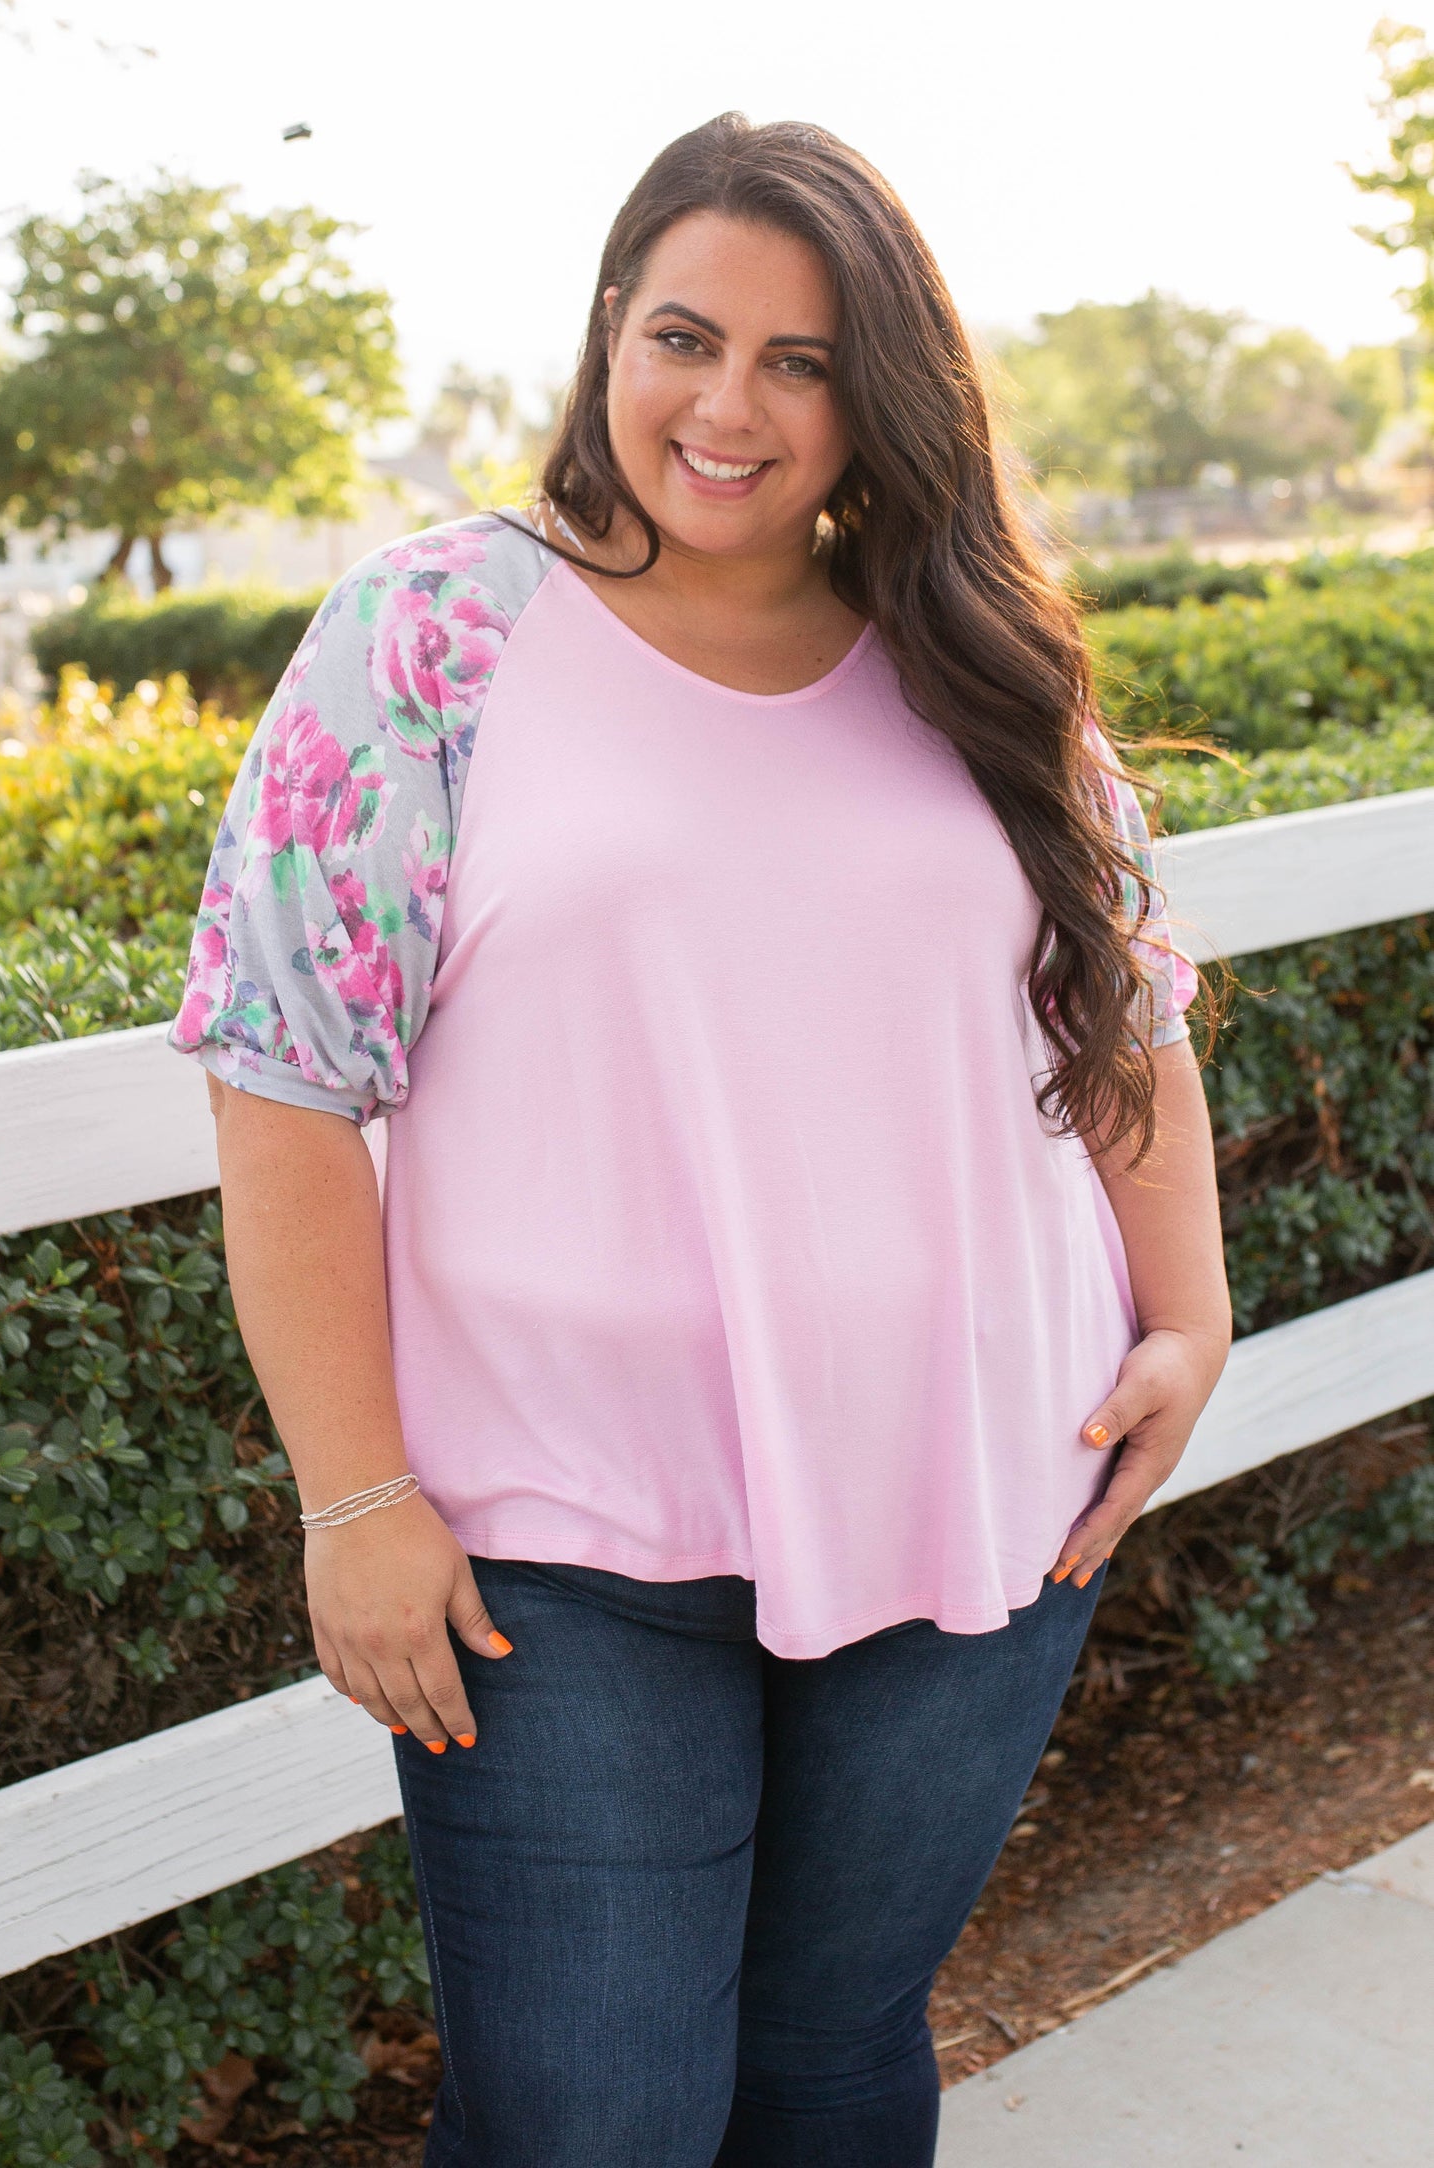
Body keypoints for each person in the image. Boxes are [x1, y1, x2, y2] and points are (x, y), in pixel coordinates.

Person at [170, 112, 1230, 2168]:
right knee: (593, 2121)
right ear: (604, 336)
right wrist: (352, 1495)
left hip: (980, 1499)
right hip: (558, 1549)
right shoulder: (436, 637)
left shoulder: (970, 655)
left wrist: (1187, 1318)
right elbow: (282, 1073)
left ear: (879, 396)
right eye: (684, 335)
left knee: (830, 2068)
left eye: (802, 361)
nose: (726, 405)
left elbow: (1124, 998)